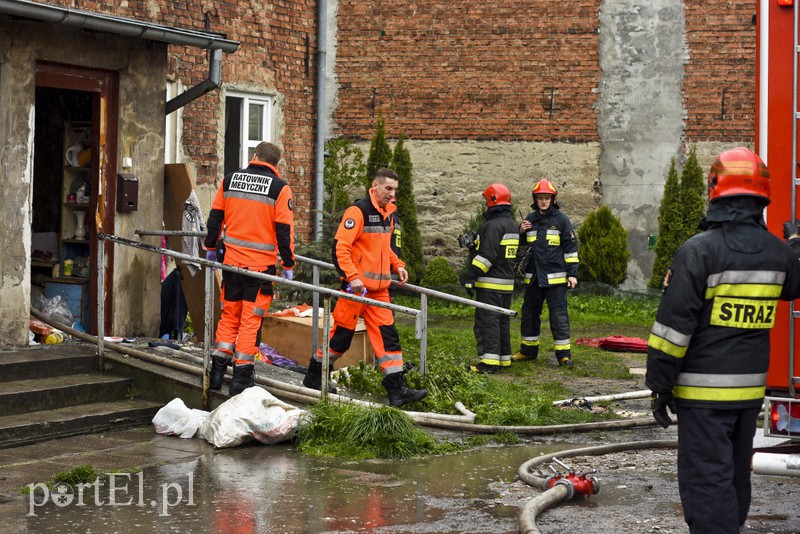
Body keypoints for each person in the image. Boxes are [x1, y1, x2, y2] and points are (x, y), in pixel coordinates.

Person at [645, 147, 800, 534]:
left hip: (702, 396)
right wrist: (795, 243)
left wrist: (660, 386)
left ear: (715, 191)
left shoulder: (699, 251)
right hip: (748, 394)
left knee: (706, 480)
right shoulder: (777, 253)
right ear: (761, 195)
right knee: (734, 475)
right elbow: (794, 284)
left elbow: (672, 330)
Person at [303, 169, 427, 407]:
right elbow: (341, 247)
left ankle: (396, 390)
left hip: (379, 291)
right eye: (388, 189)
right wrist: (352, 277)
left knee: (389, 340)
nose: (392, 194)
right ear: (375, 186)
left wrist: (398, 265)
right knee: (340, 339)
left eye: (394, 190)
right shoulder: (358, 211)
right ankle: (314, 376)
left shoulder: (388, 214)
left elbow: (384, 249)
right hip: (356, 291)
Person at [203, 141, 295, 396]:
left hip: (231, 264)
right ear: (276, 164)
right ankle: (241, 377)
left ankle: (217, 371)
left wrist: (211, 246)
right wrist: (288, 263)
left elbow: (215, 217)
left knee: (230, 316)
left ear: (254, 157)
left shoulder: (230, 179)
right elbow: (284, 231)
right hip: (260, 269)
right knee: (250, 321)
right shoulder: (280, 188)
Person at [513, 178, 579, 367]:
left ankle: (563, 355)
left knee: (558, 316)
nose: (543, 201)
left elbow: (571, 249)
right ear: (535, 199)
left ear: (553, 199)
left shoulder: (561, 220)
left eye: (547, 198)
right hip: (533, 278)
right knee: (529, 314)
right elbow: (523, 246)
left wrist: (572, 274)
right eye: (540, 198)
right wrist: (521, 232)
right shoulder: (530, 219)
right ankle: (528, 351)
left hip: (556, 279)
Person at [464, 183, 519, 374]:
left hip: (490, 284)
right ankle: (504, 359)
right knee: (502, 322)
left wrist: (470, 276)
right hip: (506, 284)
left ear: (491, 201)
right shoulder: (511, 225)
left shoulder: (492, 226)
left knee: (488, 322)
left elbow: (486, 257)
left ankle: (488, 364)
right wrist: (473, 247)